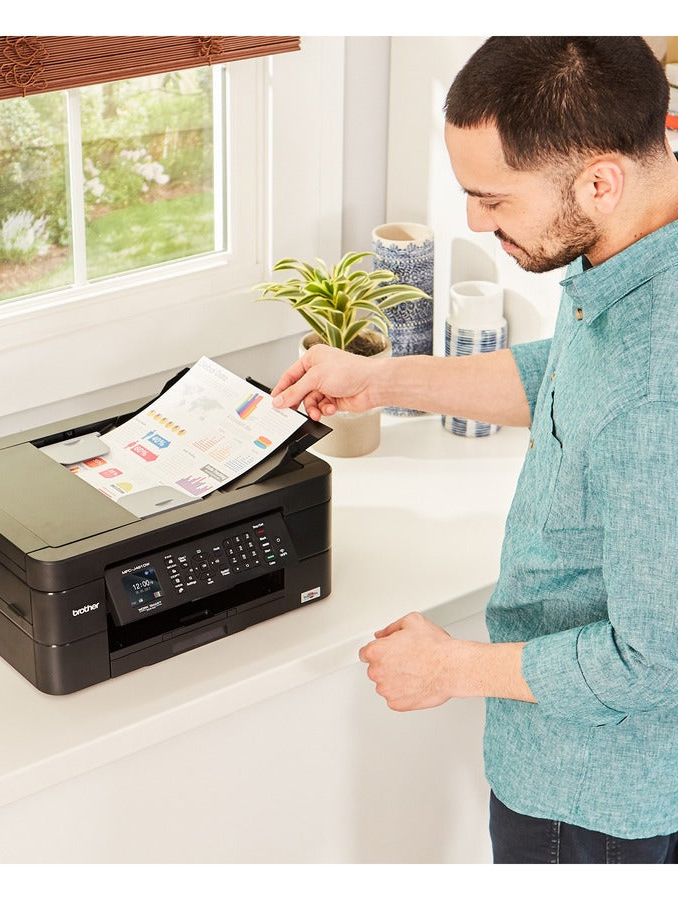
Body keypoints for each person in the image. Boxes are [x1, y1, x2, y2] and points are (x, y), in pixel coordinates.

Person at [271, 37, 678, 864]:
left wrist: (449, 667)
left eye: (492, 199)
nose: (473, 222)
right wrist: (383, 379)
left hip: (595, 800)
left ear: (600, 182)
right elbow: (568, 380)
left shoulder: (655, 386)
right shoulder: (631, 251)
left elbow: (651, 663)